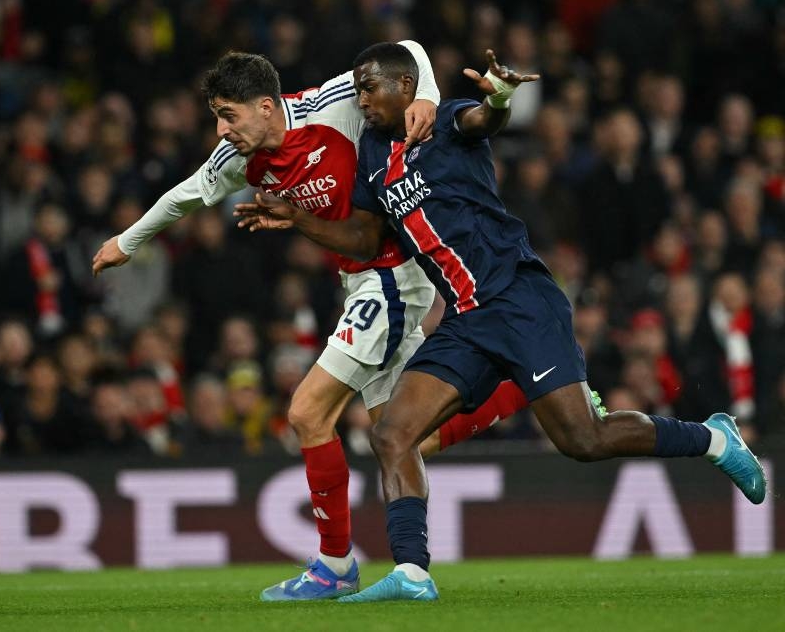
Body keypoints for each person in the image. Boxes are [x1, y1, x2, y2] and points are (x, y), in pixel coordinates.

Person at [235, 43, 767, 602]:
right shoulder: (370, 151)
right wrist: (299, 219)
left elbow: (484, 118)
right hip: (466, 319)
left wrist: (503, 94)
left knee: (583, 439)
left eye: (371, 87)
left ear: (404, 86)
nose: (360, 98)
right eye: (359, 88)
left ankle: (712, 438)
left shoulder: (444, 120)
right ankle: (413, 574)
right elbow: (366, 240)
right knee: (392, 432)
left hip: (521, 301)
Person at [92, 43, 532, 601]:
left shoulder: (333, 102)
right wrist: (126, 243)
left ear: (267, 106)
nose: (222, 130)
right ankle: (524, 391)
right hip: (358, 277)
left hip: (393, 273)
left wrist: (423, 95)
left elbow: (412, 52)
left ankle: (334, 565)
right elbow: (185, 196)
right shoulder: (236, 160)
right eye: (216, 118)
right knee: (403, 435)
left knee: (306, 411)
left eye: (230, 115)